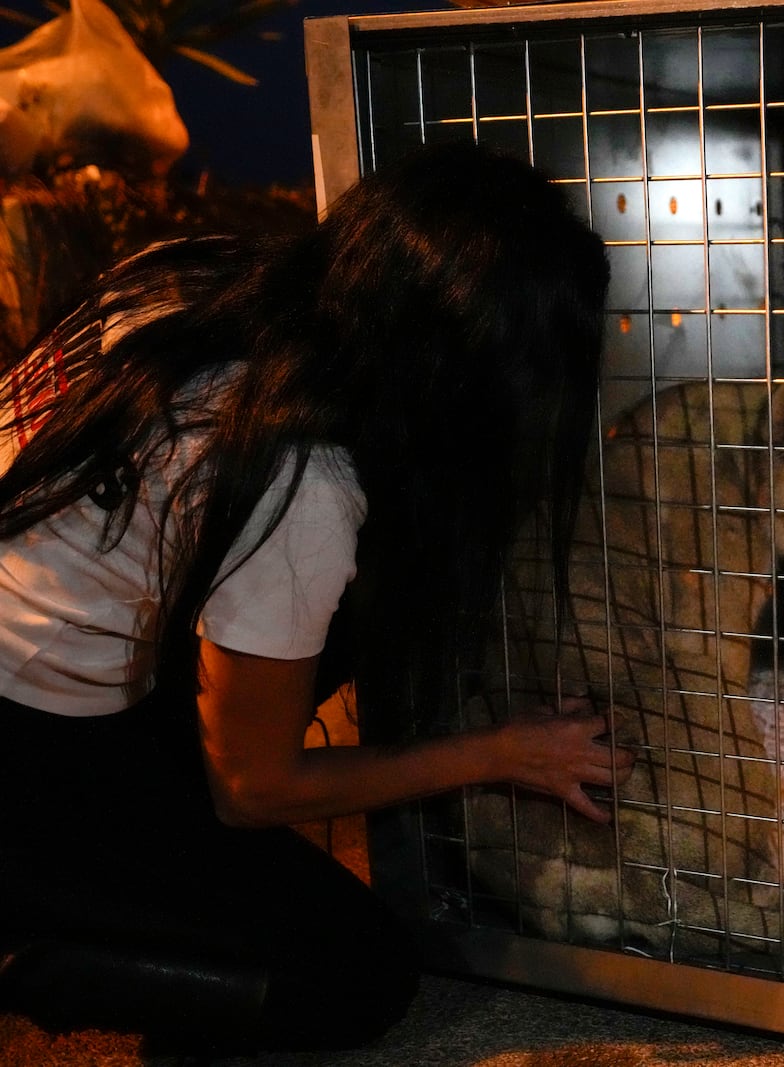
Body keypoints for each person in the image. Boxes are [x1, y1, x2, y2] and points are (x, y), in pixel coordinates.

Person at [0, 140, 631, 1053]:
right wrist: (507, 752)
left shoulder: (199, 272)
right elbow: (252, 788)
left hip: (37, 646)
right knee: (355, 971)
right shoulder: (302, 483)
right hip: (26, 743)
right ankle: (33, 942)